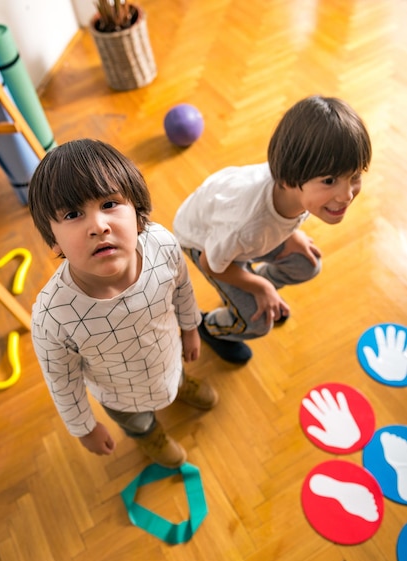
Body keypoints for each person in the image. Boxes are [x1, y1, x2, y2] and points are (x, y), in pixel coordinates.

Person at [28, 138, 218, 469]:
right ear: (53, 238)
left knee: (176, 375)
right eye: (74, 214)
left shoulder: (161, 245)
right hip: (121, 396)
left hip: (168, 356)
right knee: (139, 422)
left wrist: (190, 328)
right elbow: (61, 380)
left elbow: (183, 288)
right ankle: (151, 437)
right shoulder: (52, 317)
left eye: (110, 204)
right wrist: (84, 428)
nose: (98, 225)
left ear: (137, 211)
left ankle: (180, 387)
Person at [173, 95, 372, 364]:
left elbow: (280, 216)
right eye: (330, 180)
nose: (347, 194)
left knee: (307, 264)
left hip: (244, 238)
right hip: (205, 243)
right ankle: (211, 328)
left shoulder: (298, 187)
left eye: (355, 175)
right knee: (257, 324)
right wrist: (261, 286)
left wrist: (292, 233)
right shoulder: (245, 224)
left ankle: (252, 292)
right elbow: (212, 264)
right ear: (291, 178)